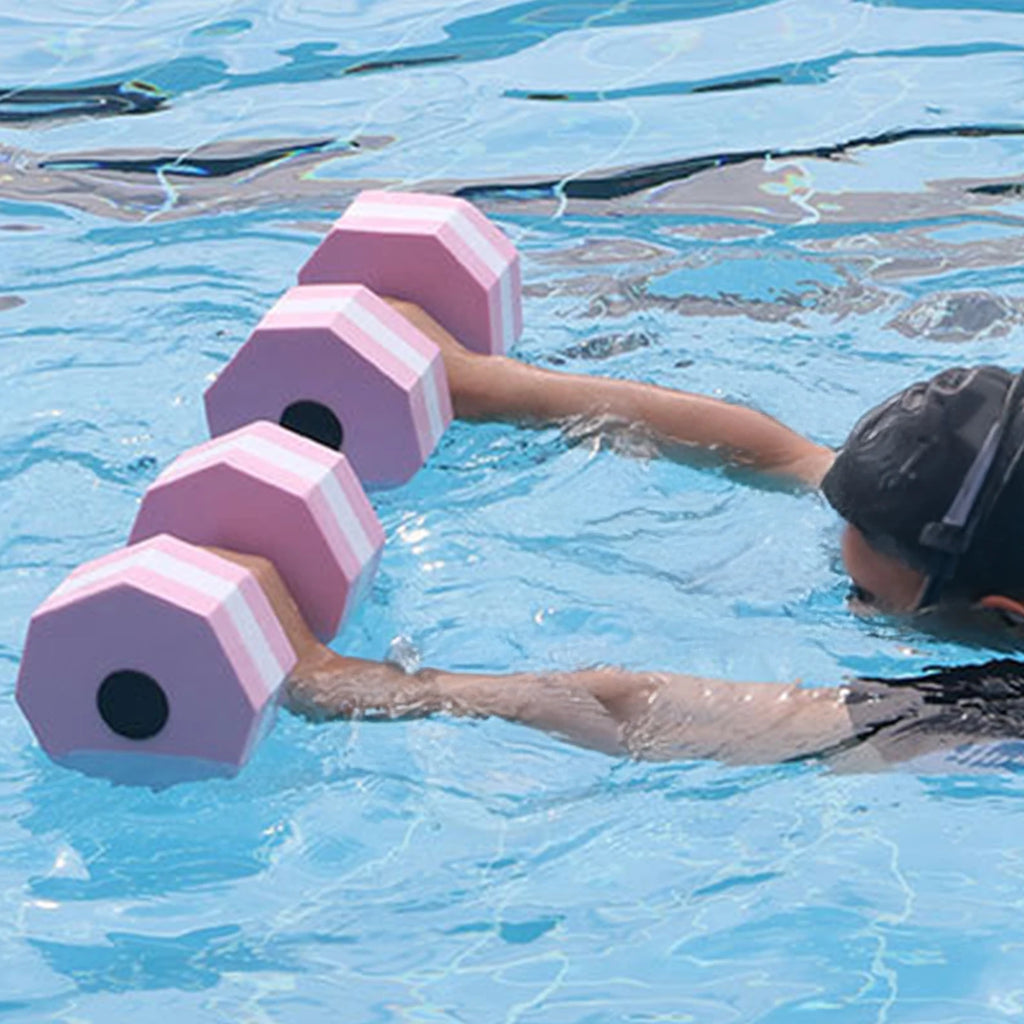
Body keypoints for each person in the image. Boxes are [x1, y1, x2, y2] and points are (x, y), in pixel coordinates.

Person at [252, 299, 1024, 769]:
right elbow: (782, 454)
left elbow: (633, 711)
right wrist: (488, 386)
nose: (849, 609)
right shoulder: (990, 517)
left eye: (868, 598)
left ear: (1002, 618)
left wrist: (337, 681)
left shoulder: (999, 708)